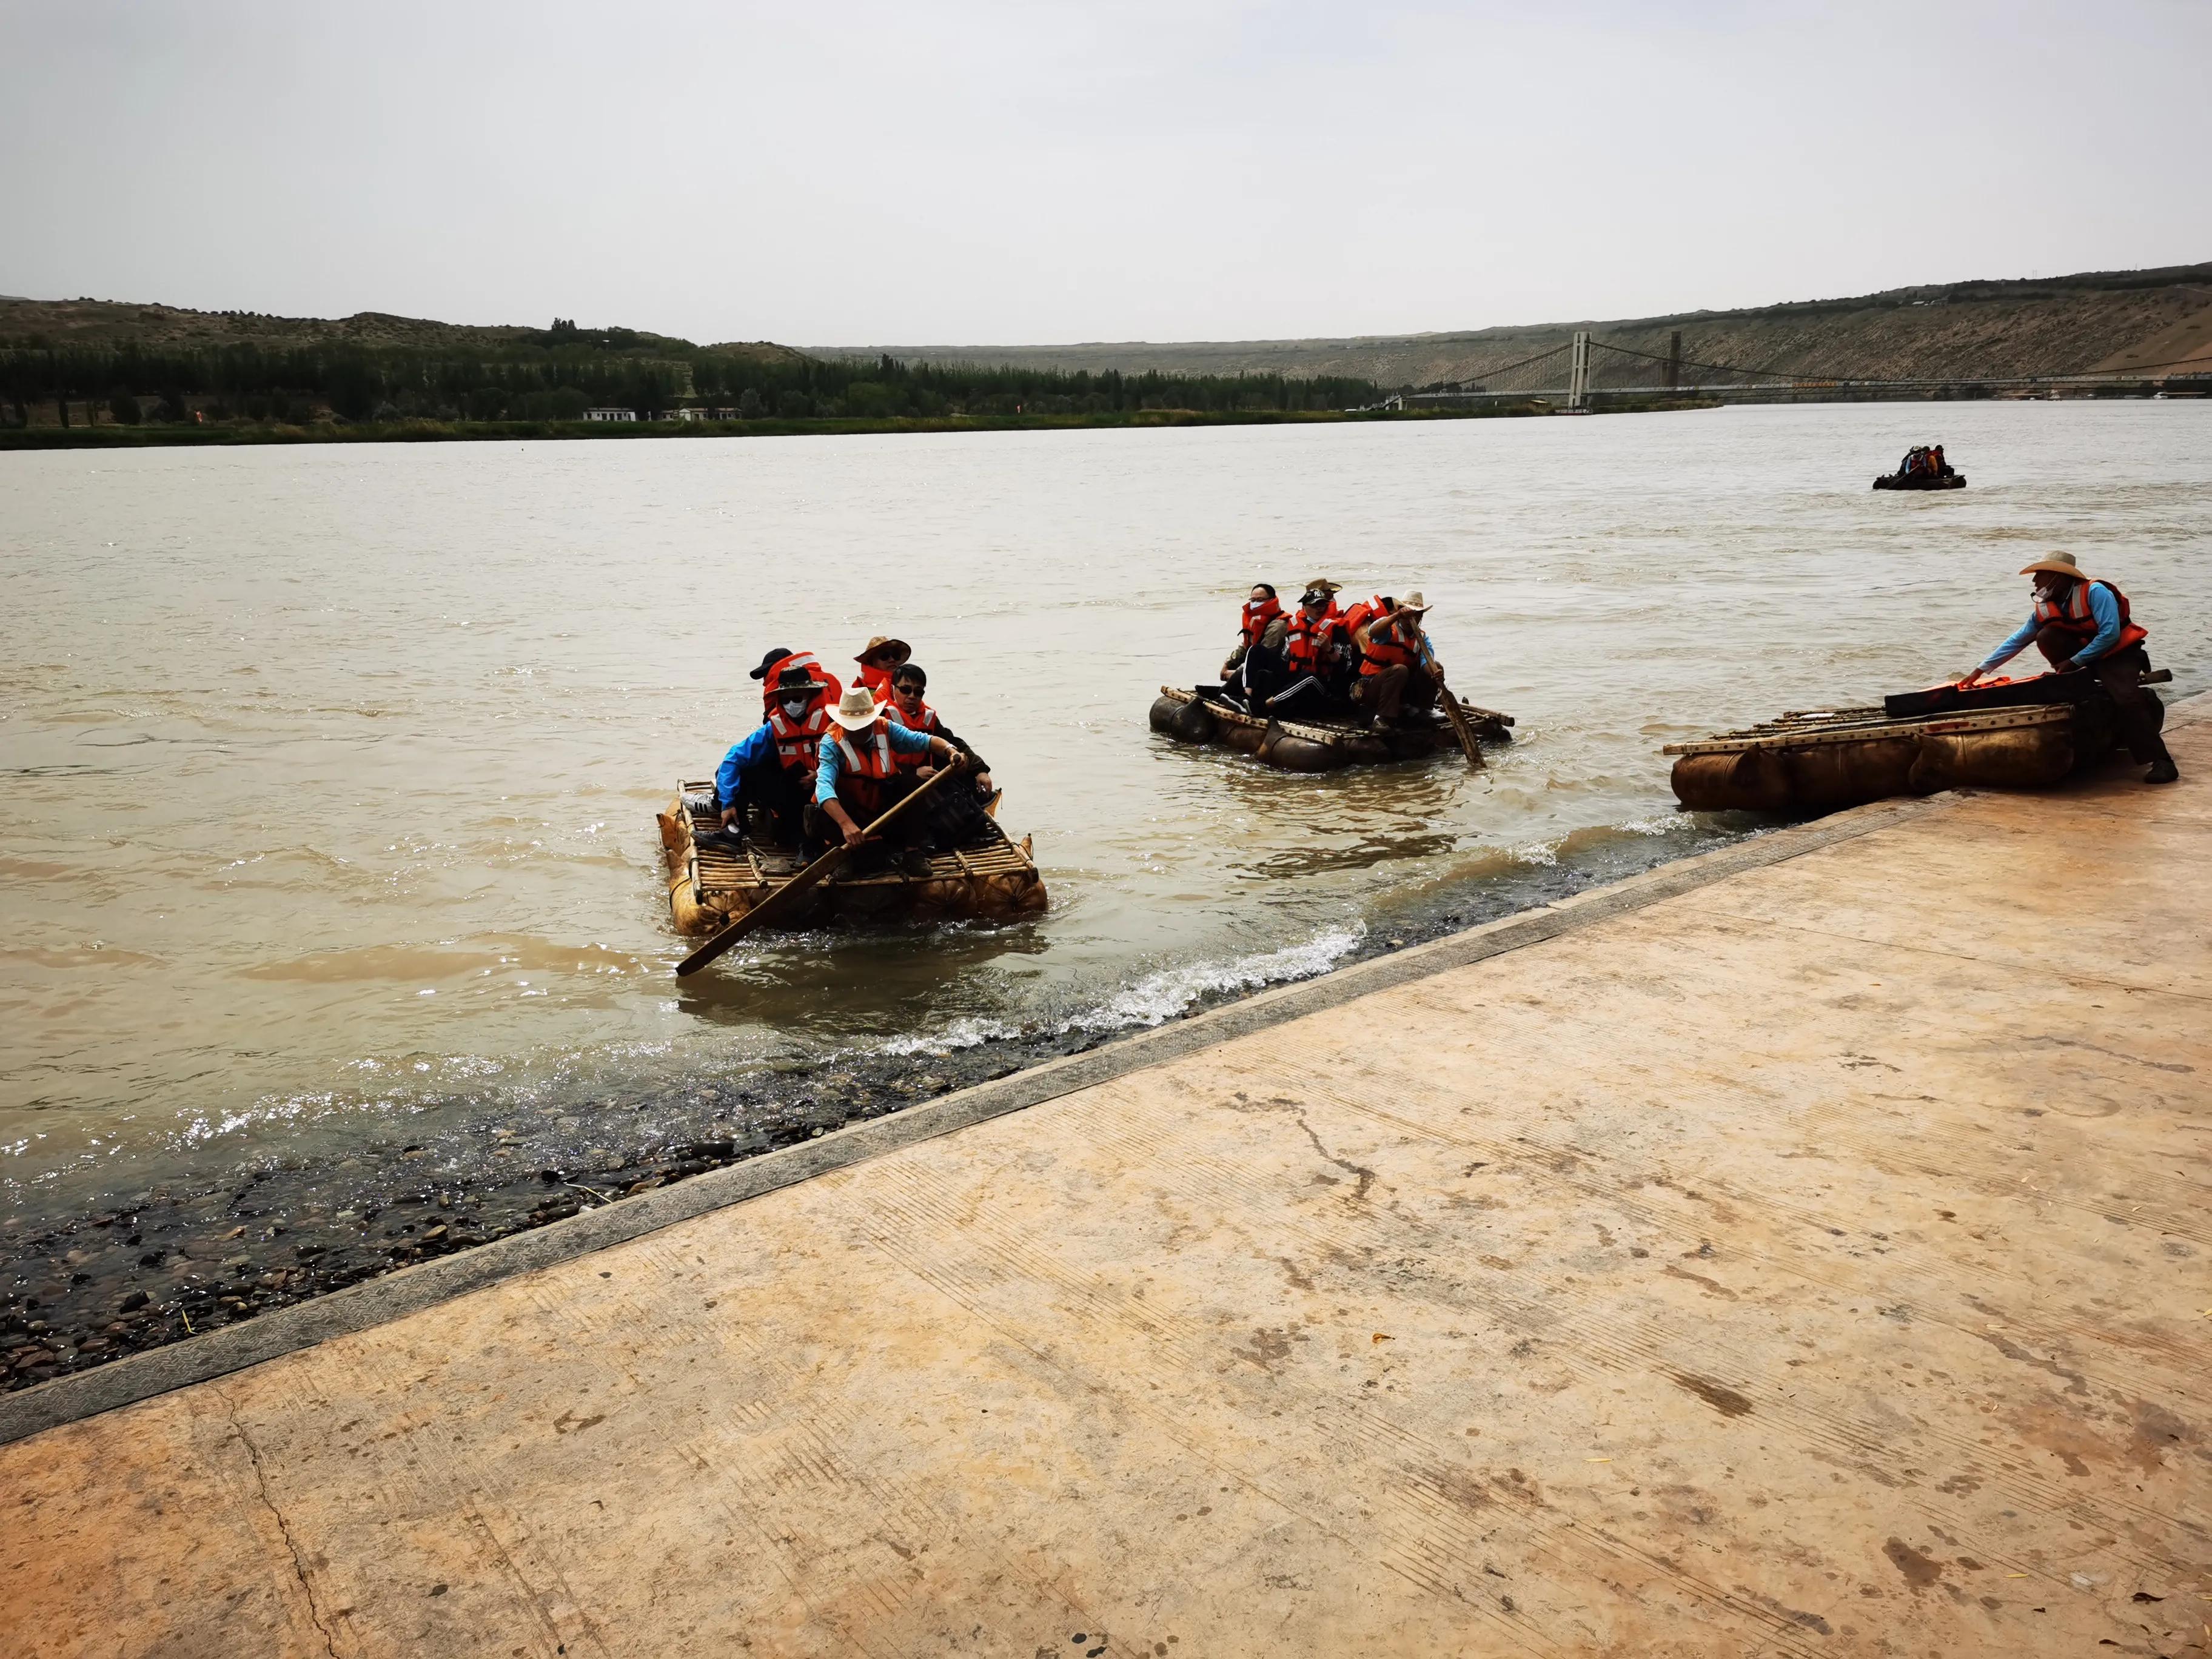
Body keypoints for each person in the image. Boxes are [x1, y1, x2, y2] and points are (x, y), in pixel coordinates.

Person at [1959, 553, 2177, 784]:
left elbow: (2110, 634)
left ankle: (2162, 761)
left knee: (2126, 698)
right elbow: (2019, 639)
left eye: (2040, 577)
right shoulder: (2046, 606)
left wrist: (2075, 662)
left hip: (2117, 654)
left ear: (2058, 578)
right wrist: (1980, 670)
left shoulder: (2095, 592)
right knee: (2046, 635)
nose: (2035, 583)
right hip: (2081, 657)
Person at [810, 684, 967, 871]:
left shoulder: (884, 727)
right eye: (853, 727)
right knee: (830, 804)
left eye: (863, 725)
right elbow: (823, 787)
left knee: (912, 784)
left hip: (882, 812)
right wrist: (847, 824)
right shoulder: (832, 742)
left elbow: (924, 741)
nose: (858, 731)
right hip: (848, 815)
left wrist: (951, 751)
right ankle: (844, 858)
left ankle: (912, 852)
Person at [711, 662, 831, 848]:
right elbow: (733, 759)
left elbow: (849, 761)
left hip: (829, 790)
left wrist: (819, 777)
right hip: (794, 792)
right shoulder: (773, 728)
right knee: (745, 771)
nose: (791, 705)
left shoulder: (832, 722)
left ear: (810, 695)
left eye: (797, 698)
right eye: (786, 700)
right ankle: (734, 830)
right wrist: (727, 803)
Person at [885, 662, 997, 849]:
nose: (912, 696)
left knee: (962, 764)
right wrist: (912, 773)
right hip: (892, 782)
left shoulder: (926, 716)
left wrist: (980, 770)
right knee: (910, 784)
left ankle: (965, 822)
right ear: (893, 689)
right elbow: (877, 762)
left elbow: (953, 741)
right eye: (905, 690)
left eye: (918, 692)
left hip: (923, 776)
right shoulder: (881, 718)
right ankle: (917, 841)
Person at [1354, 592, 1443, 726]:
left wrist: (1435, 672)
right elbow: (1373, 631)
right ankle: (1382, 717)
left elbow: (1426, 663)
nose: (1410, 619)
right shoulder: (1389, 629)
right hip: (1373, 688)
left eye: (1415, 615)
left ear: (1420, 617)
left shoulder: (1422, 638)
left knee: (1436, 665)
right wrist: (1397, 615)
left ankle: (1422, 710)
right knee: (1400, 670)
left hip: (1401, 690)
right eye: (1407, 615)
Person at [1274, 578, 1347, 711]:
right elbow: (1284, 658)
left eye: (1323, 604)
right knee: (1258, 653)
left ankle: (1263, 706)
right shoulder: (1296, 625)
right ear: (1304, 607)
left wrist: (1328, 649)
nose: (1319, 608)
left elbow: (1345, 666)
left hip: (1323, 685)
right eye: (1314, 605)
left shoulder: (1337, 627)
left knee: (1308, 677)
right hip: (1295, 680)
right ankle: (1244, 697)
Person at [1221, 584, 1287, 707]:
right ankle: (1222, 694)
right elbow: (1246, 646)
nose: (1255, 603)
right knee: (1240, 672)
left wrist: (1236, 672)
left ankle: (1236, 697)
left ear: (1272, 600)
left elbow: (1259, 656)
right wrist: (1228, 663)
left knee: (1241, 673)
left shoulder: (1278, 626)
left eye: (1260, 600)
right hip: (1258, 669)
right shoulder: (1256, 620)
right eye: (1253, 600)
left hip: (1273, 673)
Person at [748, 647, 843, 716]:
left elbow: (772, 723)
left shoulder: (779, 686)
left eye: (766, 674)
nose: (765, 680)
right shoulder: (830, 679)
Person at [853, 636, 912, 704]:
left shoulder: (906, 689)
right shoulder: (865, 695)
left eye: (896, 655)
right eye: (885, 656)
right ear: (871, 662)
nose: (892, 660)